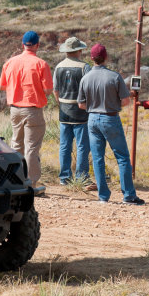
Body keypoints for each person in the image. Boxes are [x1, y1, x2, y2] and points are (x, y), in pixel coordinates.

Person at [77, 43, 144, 205]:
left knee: (98, 158)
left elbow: (81, 104)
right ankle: (128, 195)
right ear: (105, 57)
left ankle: (103, 196)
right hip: (110, 118)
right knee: (122, 157)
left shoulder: (85, 78)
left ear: (92, 58)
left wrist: (95, 107)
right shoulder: (114, 77)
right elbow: (126, 101)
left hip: (92, 119)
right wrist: (112, 105)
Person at [0, 30, 53, 193]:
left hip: (15, 110)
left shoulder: (10, 62)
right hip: (33, 110)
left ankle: (14, 180)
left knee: (16, 145)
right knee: (32, 147)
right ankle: (31, 184)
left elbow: (2, 86)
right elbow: (48, 89)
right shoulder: (41, 64)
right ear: (37, 45)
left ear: (22, 44)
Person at [53, 36, 93, 187]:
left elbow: (56, 91)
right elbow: (89, 90)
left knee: (65, 145)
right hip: (81, 112)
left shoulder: (58, 67)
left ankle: (64, 177)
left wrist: (62, 104)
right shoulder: (84, 67)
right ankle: (81, 176)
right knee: (82, 146)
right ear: (79, 50)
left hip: (64, 111)